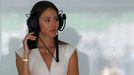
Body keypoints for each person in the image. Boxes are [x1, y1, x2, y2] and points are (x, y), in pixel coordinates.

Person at [15, 1, 79, 75]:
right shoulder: (21, 53)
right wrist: (26, 55)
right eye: (47, 20)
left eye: (56, 19)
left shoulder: (69, 51)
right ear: (35, 23)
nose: (53, 24)